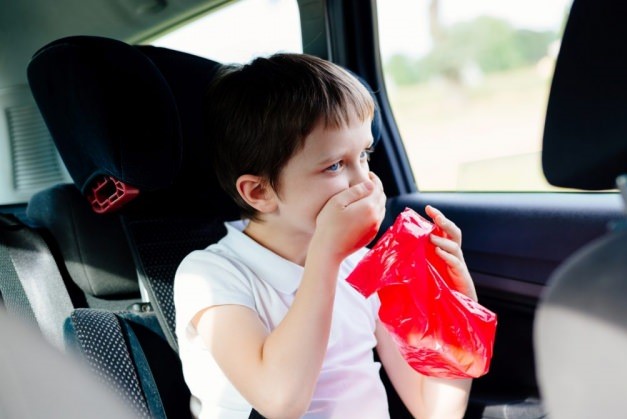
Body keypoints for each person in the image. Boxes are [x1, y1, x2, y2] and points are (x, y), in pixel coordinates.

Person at [174, 53, 478, 419]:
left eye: (364, 155)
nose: (365, 180)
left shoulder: (362, 265)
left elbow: (435, 410)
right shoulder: (209, 276)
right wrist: (326, 255)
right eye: (334, 165)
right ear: (259, 192)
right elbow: (280, 401)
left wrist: (457, 307)